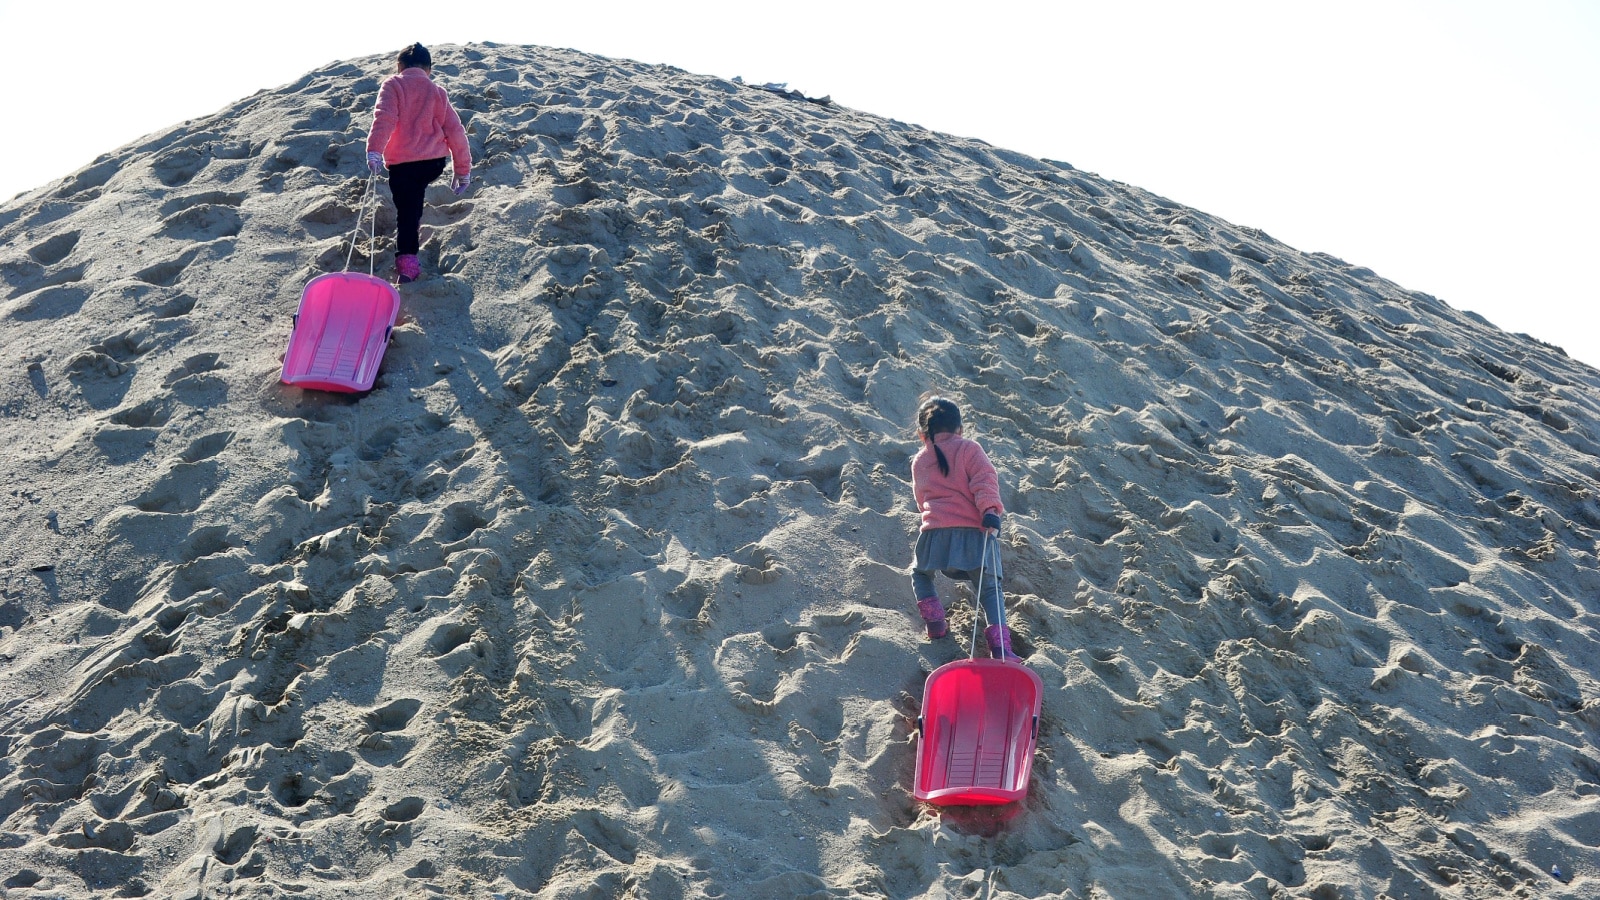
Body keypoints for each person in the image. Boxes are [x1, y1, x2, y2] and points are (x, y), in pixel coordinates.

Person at [908, 396, 1018, 661]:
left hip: (934, 534)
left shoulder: (920, 460)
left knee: (920, 574)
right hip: (974, 534)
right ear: (960, 429)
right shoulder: (970, 448)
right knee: (989, 588)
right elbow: (984, 480)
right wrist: (990, 511)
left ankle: (935, 624)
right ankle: (1001, 648)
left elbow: (921, 497)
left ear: (922, 434)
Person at [365, 43, 472, 284]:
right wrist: (462, 171)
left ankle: (408, 262)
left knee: (407, 212)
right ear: (429, 70)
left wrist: (374, 151)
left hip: (403, 164)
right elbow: (455, 132)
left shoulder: (393, 84)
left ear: (400, 66)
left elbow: (385, 117)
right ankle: (413, 227)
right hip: (433, 163)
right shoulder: (437, 91)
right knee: (414, 199)